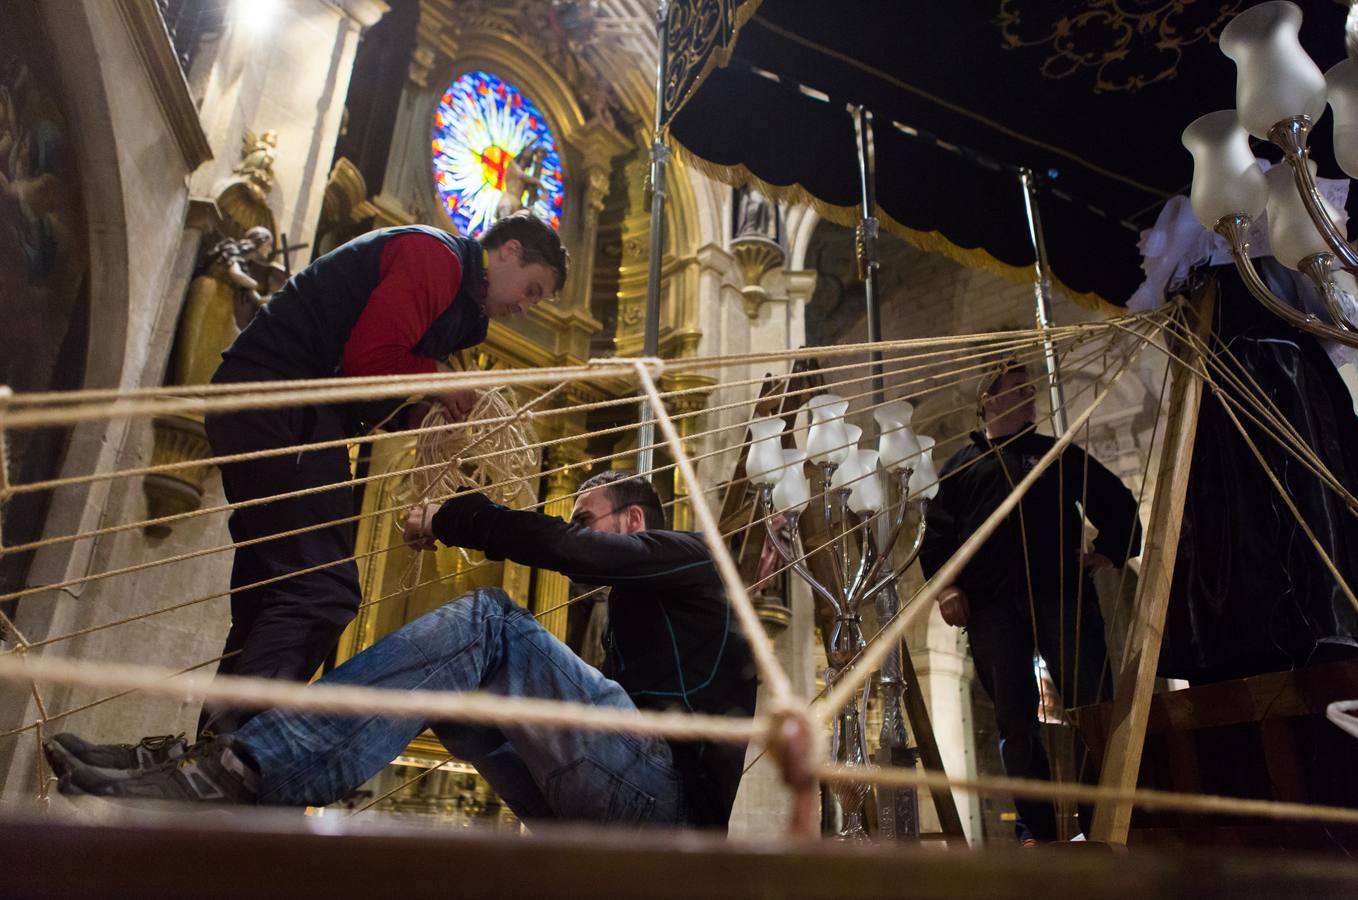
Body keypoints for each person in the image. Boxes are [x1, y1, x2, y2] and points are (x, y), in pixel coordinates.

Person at [47, 472, 759, 831]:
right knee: (456, 697)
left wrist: (458, 515)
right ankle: (216, 763)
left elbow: (560, 545)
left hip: (666, 807)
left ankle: (239, 773)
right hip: (625, 810)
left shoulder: (697, 556)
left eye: (587, 516)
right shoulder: (637, 612)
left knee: (488, 622)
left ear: (634, 521)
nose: (575, 529)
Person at [919, 361, 1142, 844]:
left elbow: (1114, 499)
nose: (1030, 395)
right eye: (1018, 388)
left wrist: (1110, 549)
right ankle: (1034, 831)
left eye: (1030, 388)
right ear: (989, 402)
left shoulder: (1055, 454)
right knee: (1014, 726)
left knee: (1093, 710)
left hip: (1061, 597)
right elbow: (936, 541)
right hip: (993, 610)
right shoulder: (958, 470)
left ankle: (1100, 823)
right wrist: (948, 588)